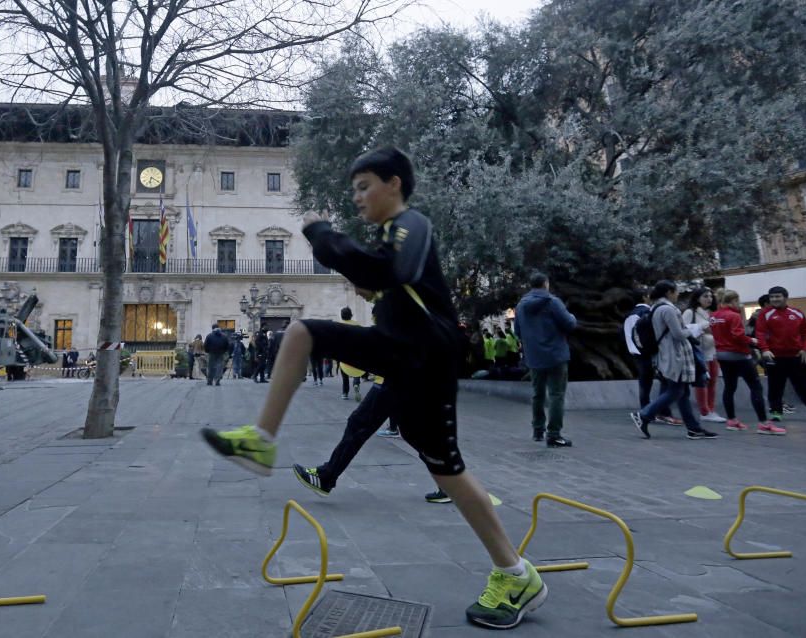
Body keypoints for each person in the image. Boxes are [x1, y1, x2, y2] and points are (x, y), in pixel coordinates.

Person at [201, 146, 547, 630]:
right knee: (303, 334)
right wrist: (368, 282)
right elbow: (387, 280)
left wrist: (323, 236)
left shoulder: (412, 224)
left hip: (425, 355)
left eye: (364, 187)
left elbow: (393, 272)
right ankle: (260, 440)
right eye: (354, 189)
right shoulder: (391, 236)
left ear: (394, 184)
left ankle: (516, 574)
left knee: (448, 470)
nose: (358, 197)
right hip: (401, 350)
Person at [629, 280, 719, 440]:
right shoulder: (667, 309)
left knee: (682, 392)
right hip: (675, 355)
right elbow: (678, 334)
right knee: (676, 390)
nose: (677, 294)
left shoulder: (657, 307)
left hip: (669, 354)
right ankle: (644, 415)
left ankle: (694, 428)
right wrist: (693, 330)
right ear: (669, 292)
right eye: (676, 291)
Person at [514, 272, 576, 447]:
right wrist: (572, 317)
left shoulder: (521, 306)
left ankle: (538, 430)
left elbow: (517, 331)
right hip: (556, 355)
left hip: (534, 358)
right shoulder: (553, 302)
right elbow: (570, 324)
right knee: (556, 394)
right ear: (546, 284)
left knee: (537, 394)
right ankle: (554, 434)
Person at [755, 286, 806, 424]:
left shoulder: (797, 313)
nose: (774, 299)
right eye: (772, 297)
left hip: (797, 356)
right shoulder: (765, 314)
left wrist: (805, 349)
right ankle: (776, 413)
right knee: (775, 387)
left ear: (785, 297)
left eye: (777, 296)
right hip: (775, 357)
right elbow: (760, 333)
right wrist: (765, 349)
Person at [711, 290, 776, 432]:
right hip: (738, 354)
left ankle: (732, 420)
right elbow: (737, 335)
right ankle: (764, 423)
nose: (738, 304)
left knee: (729, 387)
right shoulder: (733, 316)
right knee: (755, 386)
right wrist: (752, 340)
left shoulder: (714, 316)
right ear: (732, 301)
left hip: (721, 354)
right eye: (737, 301)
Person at [623, 287, 682, 426]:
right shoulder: (645, 312)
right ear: (645, 297)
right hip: (648, 354)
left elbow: (628, 336)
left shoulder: (632, 314)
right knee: (659, 383)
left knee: (647, 384)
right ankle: (651, 413)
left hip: (639, 353)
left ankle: (649, 412)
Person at [682, 288, 725, 423]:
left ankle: (710, 409)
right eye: (705, 296)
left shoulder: (711, 313)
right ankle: (704, 411)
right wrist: (702, 327)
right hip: (699, 352)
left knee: (712, 381)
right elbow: (683, 329)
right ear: (697, 298)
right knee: (702, 382)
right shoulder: (690, 312)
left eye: (711, 296)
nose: (709, 299)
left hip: (712, 351)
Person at [337, 307, 363, 400]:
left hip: (343, 353)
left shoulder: (338, 325)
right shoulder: (357, 325)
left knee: (344, 373)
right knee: (356, 371)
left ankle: (345, 393)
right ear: (351, 314)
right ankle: (356, 384)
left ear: (342, 315)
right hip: (356, 352)